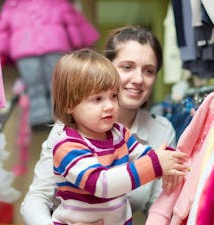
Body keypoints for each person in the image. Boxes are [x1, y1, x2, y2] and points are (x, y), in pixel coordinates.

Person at [20, 25, 179, 225]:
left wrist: (171, 160)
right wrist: (156, 164)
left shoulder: (146, 131)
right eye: (127, 67)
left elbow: (160, 202)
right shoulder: (66, 137)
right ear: (107, 67)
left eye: (149, 71)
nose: (138, 79)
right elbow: (38, 198)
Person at [48, 48, 187, 225]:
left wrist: (167, 158)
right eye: (97, 99)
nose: (109, 106)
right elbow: (102, 184)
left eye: (113, 96)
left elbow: (145, 154)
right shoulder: (68, 145)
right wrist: (156, 164)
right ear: (69, 105)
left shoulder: (118, 132)